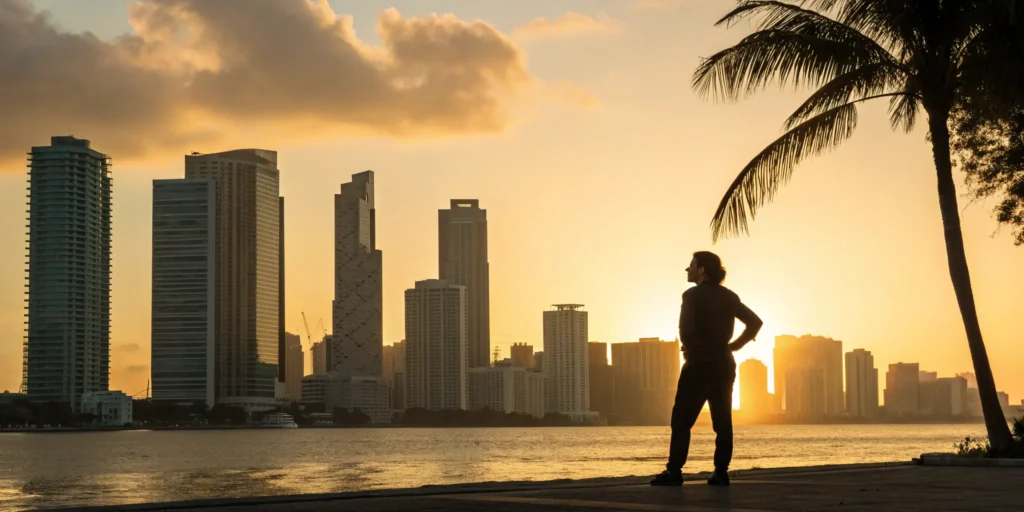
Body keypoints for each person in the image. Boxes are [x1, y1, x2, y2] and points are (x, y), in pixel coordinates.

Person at [650, 251, 762, 487]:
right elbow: (755, 322)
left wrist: (691, 349)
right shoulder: (730, 297)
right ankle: (720, 472)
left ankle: (674, 472)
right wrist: (734, 346)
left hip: (699, 364)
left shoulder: (691, 295)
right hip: (723, 363)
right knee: (723, 421)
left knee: (682, 419)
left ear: (701, 270)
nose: (687, 269)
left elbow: (686, 329)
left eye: (691, 265)